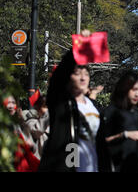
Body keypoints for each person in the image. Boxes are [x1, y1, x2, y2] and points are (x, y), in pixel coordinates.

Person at [39, 43, 100, 172]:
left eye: (86, 74)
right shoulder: (62, 104)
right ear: (68, 78)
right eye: (77, 74)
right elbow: (57, 79)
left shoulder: (92, 106)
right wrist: (79, 48)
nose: (83, 78)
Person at [97, 71, 138, 172]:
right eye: (134, 89)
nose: (137, 94)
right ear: (124, 88)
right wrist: (124, 135)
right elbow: (100, 141)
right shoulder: (110, 111)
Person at [4, 95, 40, 172]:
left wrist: (29, 144)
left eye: (13, 103)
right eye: (8, 103)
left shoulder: (22, 124)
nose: (11, 106)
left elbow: (32, 148)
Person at [23, 95, 50, 160]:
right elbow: (38, 130)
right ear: (37, 108)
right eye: (45, 107)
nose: (48, 110)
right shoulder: (31, 122)